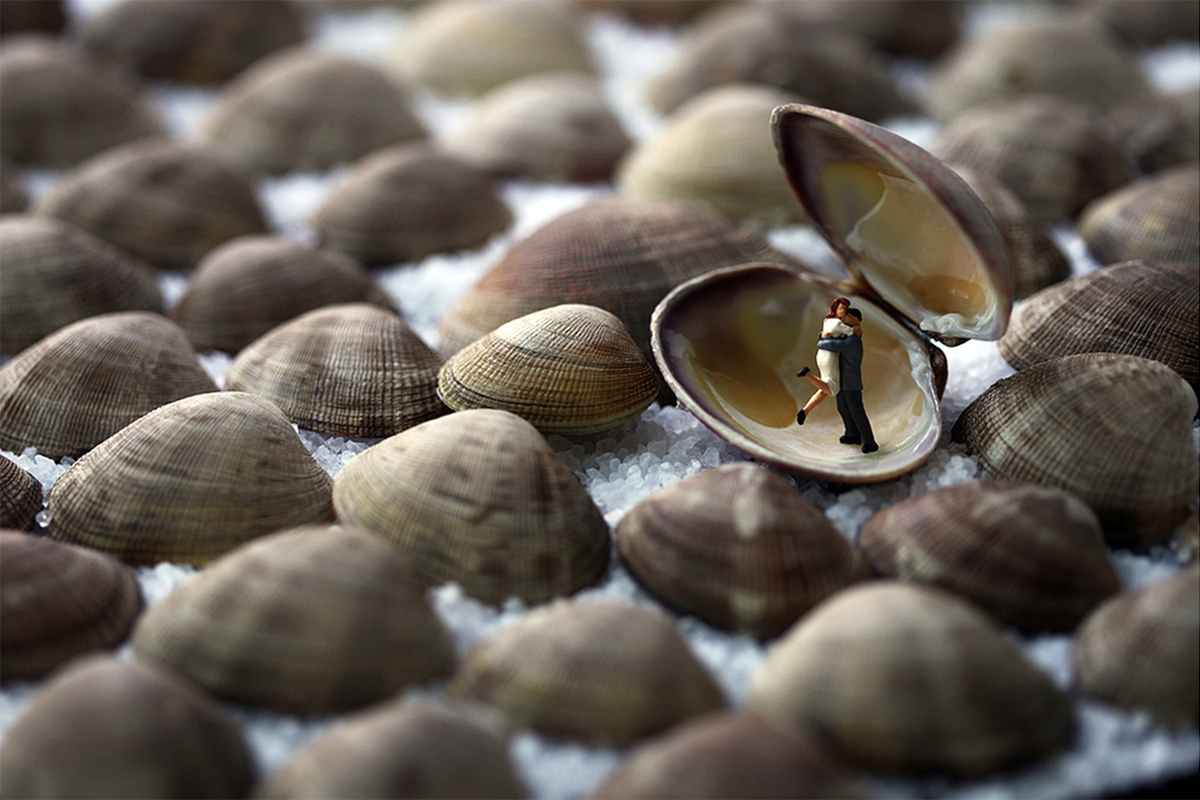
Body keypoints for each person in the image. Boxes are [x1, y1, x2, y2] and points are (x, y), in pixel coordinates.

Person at [808, 307, 878, 454]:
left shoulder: (853, 341)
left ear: (855, 319)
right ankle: (851, 434)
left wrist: (821, 340)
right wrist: (822, 335)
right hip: (840, 381)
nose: (843, 318)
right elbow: (830, 338)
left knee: (857, 412)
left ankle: (869, 441)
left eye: (847, 316)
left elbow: (831, 345)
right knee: (843, 408)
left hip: (851, 383)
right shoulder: (846, 336)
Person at [796, 297, 854, 425]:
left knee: (824, 389)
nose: (843, 312)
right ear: (835, 308)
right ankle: (808, 375)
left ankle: (805, 411)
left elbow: (824, 334)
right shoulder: (838, 323)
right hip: (830, 356)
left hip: (821, 354)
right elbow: (851, 332)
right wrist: (852, 323)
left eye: (845, 309)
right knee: (832, 389)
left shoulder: (826, 321)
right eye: (841, 308)